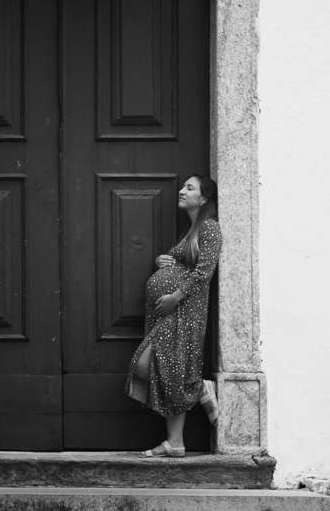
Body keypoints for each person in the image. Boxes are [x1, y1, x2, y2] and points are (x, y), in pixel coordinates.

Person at [126, 174, 222, 458]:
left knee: (147, 366)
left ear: (203, 198)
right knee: (169, 370)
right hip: (172, 311)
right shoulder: (192, 230)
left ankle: (197, 387)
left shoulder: (210, 228)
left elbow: (204, 273)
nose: (181, 191)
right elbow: (185, 264)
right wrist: (162, 261)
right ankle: (175, 441)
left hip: (185, 311)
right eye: (183, 187)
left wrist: (175, 297)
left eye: (189, 188)